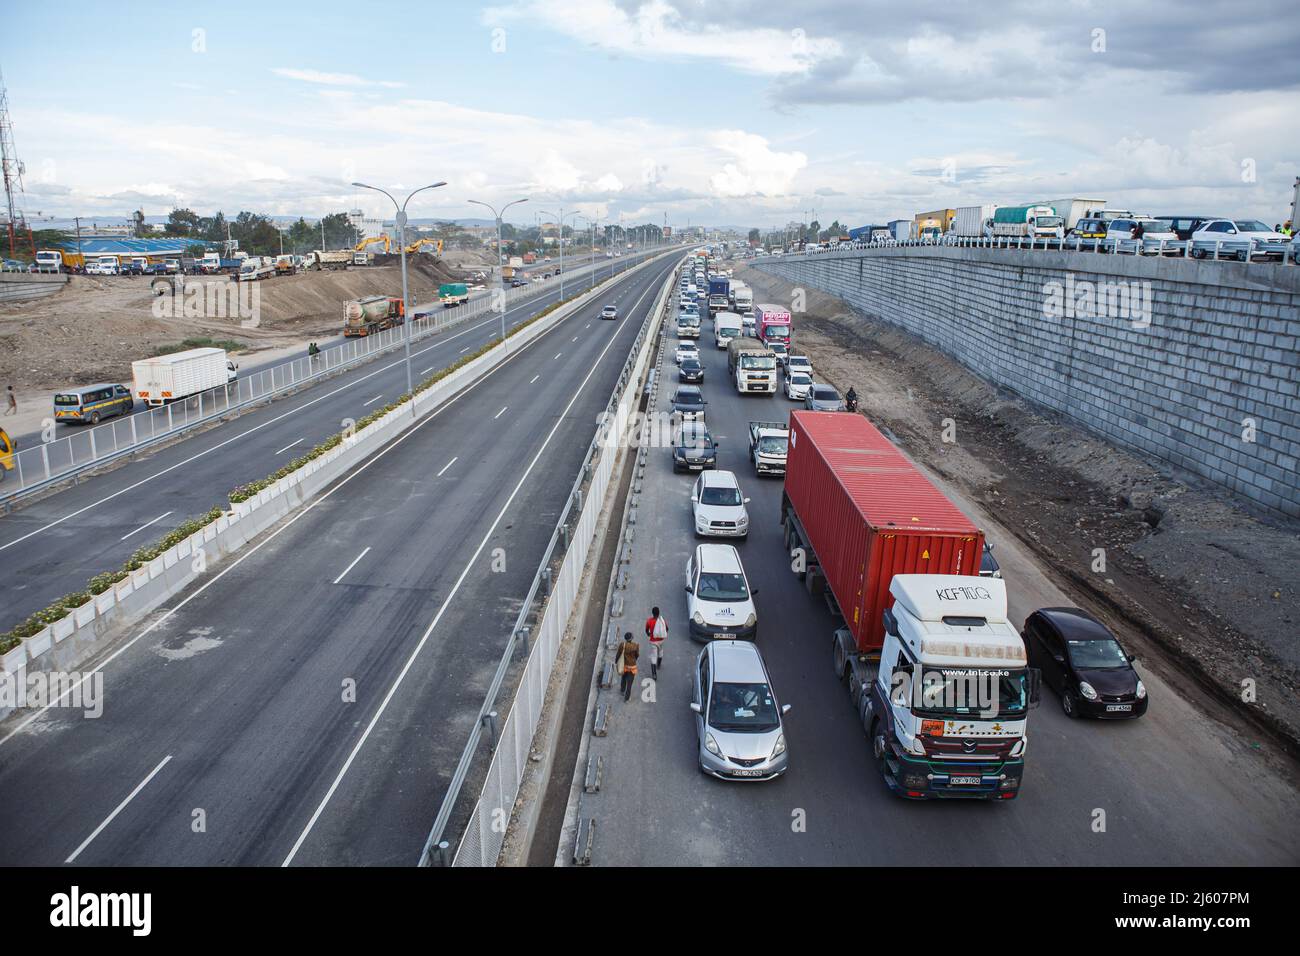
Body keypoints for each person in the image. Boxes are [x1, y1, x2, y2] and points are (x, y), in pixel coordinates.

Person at [615, 632, 640, 702]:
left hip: (624, 665)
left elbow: (618, 654)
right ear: (631, 638)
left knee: (623, 678)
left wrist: (616, 661)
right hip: (632, 667)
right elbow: (637, 655)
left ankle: (622, 690)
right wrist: (633, 660)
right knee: (630, 683)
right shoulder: (636, 646)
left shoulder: (622, 645)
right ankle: (627, 698)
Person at [645, 606, 668, 679]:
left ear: (652, 613)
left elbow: (646, 630)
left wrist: (649, 634)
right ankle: (659, 665)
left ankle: (654, 674)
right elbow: (667, 629)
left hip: (653, 641)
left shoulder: (649, 621)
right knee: (661, 652)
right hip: (661, 640)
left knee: (653, 656)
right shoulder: (662, 620)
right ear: (659, 613)